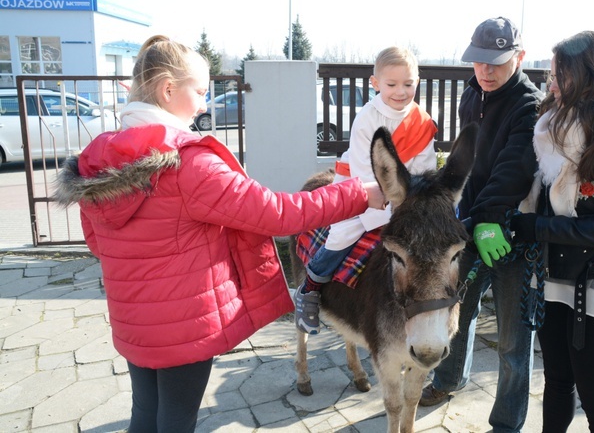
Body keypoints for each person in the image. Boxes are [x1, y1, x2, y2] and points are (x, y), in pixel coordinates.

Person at [52, 35, 385, 433]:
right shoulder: (189, 164)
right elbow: (277, 213)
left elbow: (96, 243)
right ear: (168, 90)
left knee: (145, 414)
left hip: (132, 319)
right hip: (184, 322)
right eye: (201, 91)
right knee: (176, 419)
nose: (206, 103)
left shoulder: (98, 158)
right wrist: (359, 194)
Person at [510, 30, 594, 432]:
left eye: (560, 75)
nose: (551, 84)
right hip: (555, 280)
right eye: (552, 74)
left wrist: (537, 227)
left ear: (588, 75)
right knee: (556, 386)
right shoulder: (550, 129)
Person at [420, 16, 544, 433]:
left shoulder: (530, 105)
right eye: (479, 61)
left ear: (520, 57)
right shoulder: (472, 96)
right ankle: (448, 380)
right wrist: (456, 210)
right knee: (458, 313)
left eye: (497, 61)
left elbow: (515, 169)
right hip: (471, 226)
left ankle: (507, 423)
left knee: (513, 338)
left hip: (511, 234)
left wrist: (489, 218)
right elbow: (467, 160)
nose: (486, 71)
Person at [295, 45, 437, 334]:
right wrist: (381, 214)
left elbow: (424, 168)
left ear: (417, 82)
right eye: (392, 84)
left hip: (402, 196)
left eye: (408, 84)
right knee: (342, 235)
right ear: (376, 84)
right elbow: (363, 169)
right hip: (358, 187)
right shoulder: (366, 117)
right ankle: (310, 288)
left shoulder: (422, 121)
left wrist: (413, 205)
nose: (401, 91)